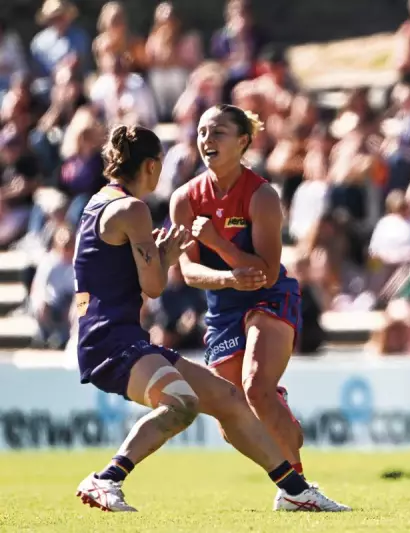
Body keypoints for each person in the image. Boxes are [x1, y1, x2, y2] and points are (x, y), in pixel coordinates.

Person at [74, 125, 349, 513]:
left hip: (111, 336)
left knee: (229, 399)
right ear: (152, 166)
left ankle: (294, 490)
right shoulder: (133, 209)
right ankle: (106, 479)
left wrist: (161, 255)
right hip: (111, 339)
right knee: (181, 403)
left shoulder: (98, 201)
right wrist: (166, 255)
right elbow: (153, 287)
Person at [169, 105, 330, 511]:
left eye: (219, 132)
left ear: (243, 141)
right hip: (223, 306)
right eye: (203, 131)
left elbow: (267, 271)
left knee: (256, 386)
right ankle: (280, 416)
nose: (208, 140)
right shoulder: (185, 199)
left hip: (269, 296)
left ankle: (298, 487)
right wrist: (225, 277)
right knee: (231, 420)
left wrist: (219, 245)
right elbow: (188, 271)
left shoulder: (262, 195)